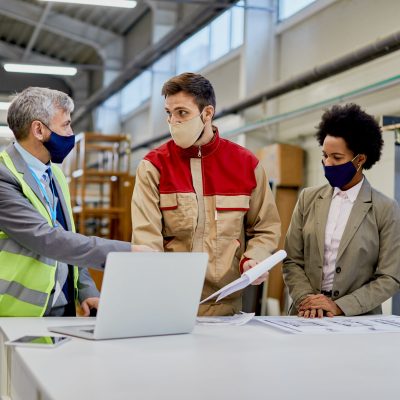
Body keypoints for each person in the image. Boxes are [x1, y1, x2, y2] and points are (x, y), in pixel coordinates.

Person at [131, 72, 281, 316]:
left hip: (225, 307)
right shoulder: (153, 166)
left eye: (182, 113)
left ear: (207, 113)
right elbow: (147, 241)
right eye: (169, 113)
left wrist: (254, 258)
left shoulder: (246, 165)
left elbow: (266, 227)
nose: (174, 122)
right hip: (169, 305)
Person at [0, 87, 151, 317]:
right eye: (66, 125)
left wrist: (86, 288)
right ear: (39, 130)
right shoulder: (4, 176)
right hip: (20, 314)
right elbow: (47, 239)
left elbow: (68, 235)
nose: (71, 132)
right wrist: (124, 252)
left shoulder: (55, 174)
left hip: (63, 308)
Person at [283, 103, 400, 318]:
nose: (327, 163)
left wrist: (341, 306)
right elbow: (292, 260)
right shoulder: (308, 199)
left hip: (357, 319)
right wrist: (307, 300)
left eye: (337, 158)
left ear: (360, 160)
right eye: (325, 155)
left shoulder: (385, 208)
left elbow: (390, 277)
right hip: (306, 315)